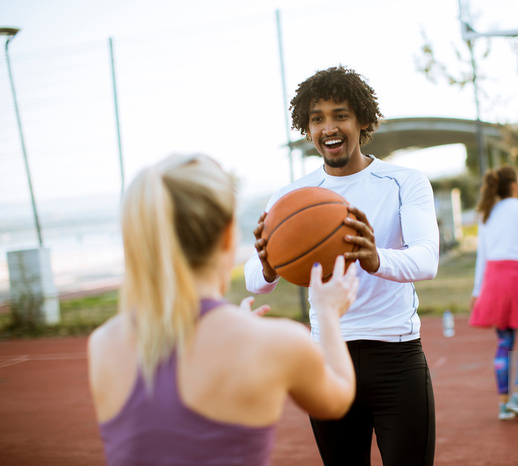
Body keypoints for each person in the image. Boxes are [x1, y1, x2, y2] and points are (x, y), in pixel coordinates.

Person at [87, 154, 358, 466]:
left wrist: (236, 327)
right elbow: (338, 398)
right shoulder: (278, 343)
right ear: (229, 235)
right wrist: (327, 312)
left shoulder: (103, 344)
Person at [244, 65, 439, 466]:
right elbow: (253, 280)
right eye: (317, 119)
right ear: (307, 128)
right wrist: (267, 265)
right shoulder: (291, 198)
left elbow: (427, 259)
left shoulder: (405, 181)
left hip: (396, 356)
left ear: (363, 120)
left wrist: (374, 257)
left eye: (340, 115)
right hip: (328, 356)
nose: (328, 127)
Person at [468, 165, 518, 421]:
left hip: (493, 283)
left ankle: (503, 404)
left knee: (503, 343)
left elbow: (483, 256)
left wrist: (477, 290)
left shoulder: (486, 213)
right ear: (514, 186)